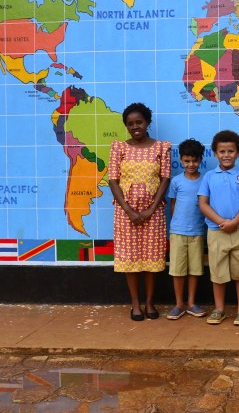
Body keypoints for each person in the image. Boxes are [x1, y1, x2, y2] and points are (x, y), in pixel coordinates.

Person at [107, 103, 171, 321]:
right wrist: (129, 211)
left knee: (152, 259)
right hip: (126, 214)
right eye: (130, 124)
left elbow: (165, 179)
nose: (135, 127)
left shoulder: (161, 148)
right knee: (130, 258)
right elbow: (113, 180)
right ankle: (135, 304)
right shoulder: (119, 148)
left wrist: (151, 209)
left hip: (154, 213)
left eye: (139, 122)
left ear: (147, 122)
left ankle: (150, 302)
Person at [198, 130, 239, 326]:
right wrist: (221, 221)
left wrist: (234, 222)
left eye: (231, 151)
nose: (226, 155)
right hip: (216, 231)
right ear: (215, 153)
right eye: (222, 151)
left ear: (238, 153)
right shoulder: (208, 177)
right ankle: (219, 309)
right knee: (218, 273)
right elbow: (203, 203)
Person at [165, 139, 208, 320]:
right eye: (187, 161)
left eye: (195, 160)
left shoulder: (205, 181)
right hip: (178, 232)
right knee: (177, 269)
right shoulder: (176, 181)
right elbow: (173, 205)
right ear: (181, 160)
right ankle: (179, 304)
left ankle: (191, 303)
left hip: (197, 232)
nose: (191, 164)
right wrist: (176, 226)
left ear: (200, 160)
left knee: (195, 269)